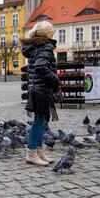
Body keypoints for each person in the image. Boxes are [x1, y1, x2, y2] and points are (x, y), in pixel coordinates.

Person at [21, 21, 60, 166]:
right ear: (46, 33)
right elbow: (40, 66)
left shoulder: (36, 46)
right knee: (40, 122)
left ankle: (39, 152)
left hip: (35, 88)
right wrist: (55, 78)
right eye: (51, 30)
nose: (53, 32)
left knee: (42, 121)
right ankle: (32, 153)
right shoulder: (47, 46)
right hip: (42, 89)